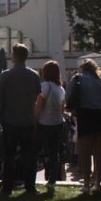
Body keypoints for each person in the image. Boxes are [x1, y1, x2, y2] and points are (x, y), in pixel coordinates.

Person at [0, 43, 42, 196]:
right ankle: (30, 186)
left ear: (15, 57)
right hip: (27, 120)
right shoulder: (34, 75)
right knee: (29, 156)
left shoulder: (6, 75)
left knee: (9, 155)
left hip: (10, 120)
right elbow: (37, 94)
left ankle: (7, 187)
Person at [65, 58, 101, 194]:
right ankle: (98, 182)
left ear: (82, 68)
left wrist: (74, 110)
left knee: (85, 151)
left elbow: (68, 95)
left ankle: (85, 183)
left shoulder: (78, 78)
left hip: (86, 115)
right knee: (99, 152)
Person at [34, 60, 66, 193]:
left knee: (34, 151)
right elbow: (62, 108)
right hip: (58, 123)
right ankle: (52, 180)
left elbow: (39, 106)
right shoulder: (61, 88)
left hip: (45, 123)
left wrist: (33, 120)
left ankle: (30, 178)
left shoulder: (45, 86)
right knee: (54, 153)